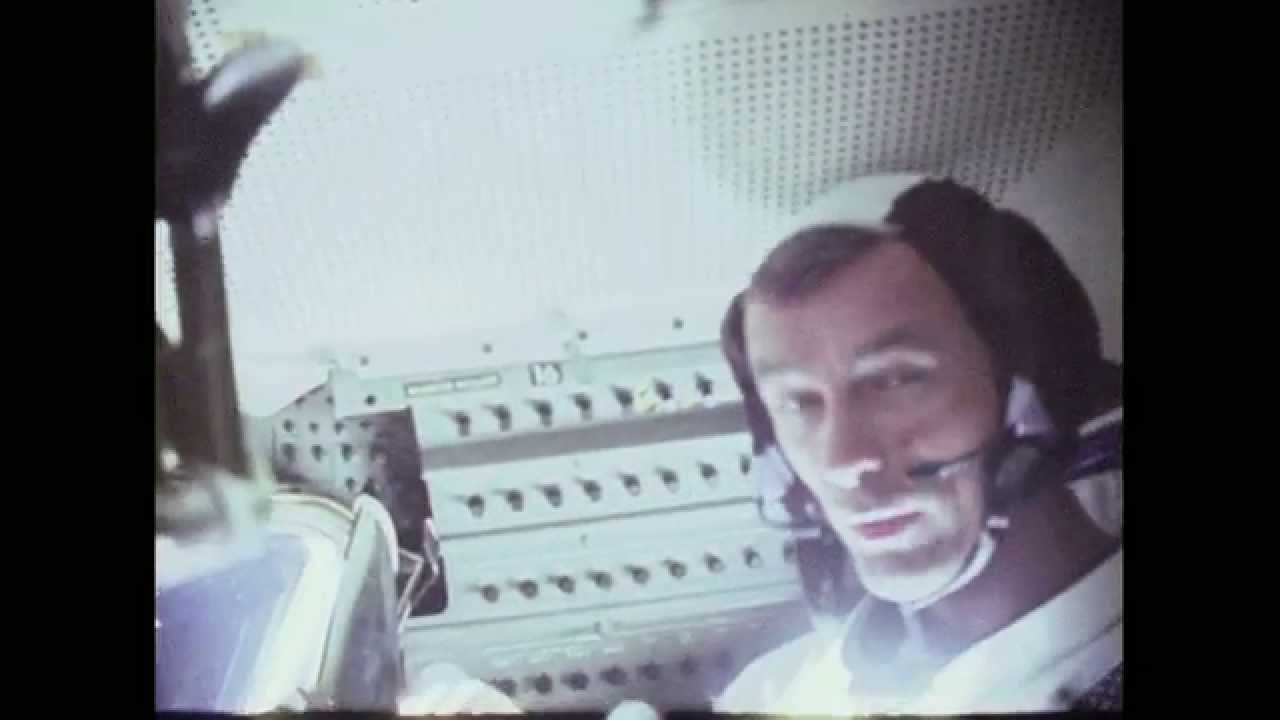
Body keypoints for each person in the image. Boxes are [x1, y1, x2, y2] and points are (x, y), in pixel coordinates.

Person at [713, 174, 1122, 714]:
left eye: (896, 379)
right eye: (798, 402)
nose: (843, 460)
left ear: (1037, 386)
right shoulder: (772, 691)